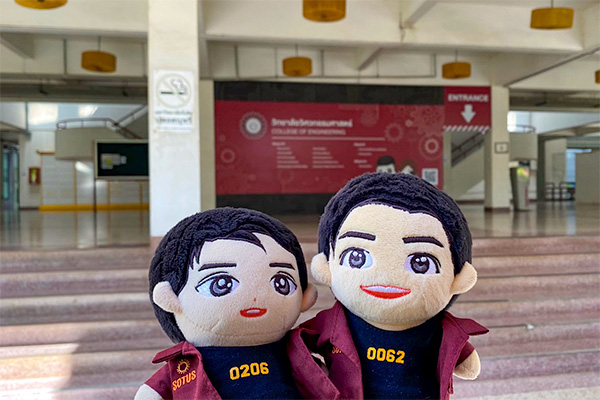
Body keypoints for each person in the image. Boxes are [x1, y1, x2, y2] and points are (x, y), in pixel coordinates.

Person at [288, 173, 488, 400]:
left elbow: (464, 361)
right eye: (357, 257)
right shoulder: (332, 324)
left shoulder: (438, 330)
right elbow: (297, 347)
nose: (386, 276)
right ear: (326, 267)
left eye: (421, 262)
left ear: (458, 279)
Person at [135, 208, 318, 400]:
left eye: (281, 282)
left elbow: (319, 378)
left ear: (304, 297)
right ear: (170, 299)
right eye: (220, 284)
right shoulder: (186, 364)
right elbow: (152, 392)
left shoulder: (291, 351)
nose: (254, 297)